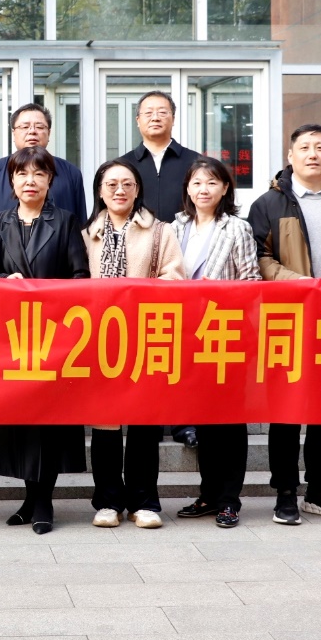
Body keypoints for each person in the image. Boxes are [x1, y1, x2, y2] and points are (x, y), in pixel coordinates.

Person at [247, 124, 321, 526]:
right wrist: (299, 283)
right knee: (286, 409)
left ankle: (319, 490)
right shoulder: (269, 203)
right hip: (290, 318)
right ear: (290, 155)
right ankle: (285, 492)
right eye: (304, 147)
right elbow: (259, 258)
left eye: (320, 147)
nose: (312, 154)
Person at [0, 145, 90, 534]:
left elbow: (80, 276)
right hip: (12, 337)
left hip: (53, 337)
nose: (30, 181)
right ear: (12, 181)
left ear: (50, 180)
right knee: (20, 421)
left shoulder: (66, 221)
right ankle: (30, 499)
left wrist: (50, 295)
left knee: (48, 421)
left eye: (39, 174)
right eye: (22, 174)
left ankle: (44, 501)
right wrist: (2, 280)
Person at [81, 158, 185, 529]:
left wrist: (137, 297)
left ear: (138, 189)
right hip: (101, 340)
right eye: (111, 184)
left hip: (146, 336)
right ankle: (108, 501)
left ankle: (144, 502)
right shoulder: (87, 234)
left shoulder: (160, 231)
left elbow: (175, 278)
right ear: (100, 191)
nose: (119, 190)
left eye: (127, 183)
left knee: (144, 424)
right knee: (105, 426)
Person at [170, 158, 261, 527]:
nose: (203, 189)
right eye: (196, 183)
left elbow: (251, 281)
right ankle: (208, 494)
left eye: (211, 182)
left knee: (230, 421)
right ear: (188, 189)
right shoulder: (176, 227)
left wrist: (220, 294)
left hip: (226, 333)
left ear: (225, 188)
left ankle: (229, 499)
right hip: (187, 336)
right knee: (204, 418)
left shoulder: (237, 228)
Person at [125, 89, 203, 448]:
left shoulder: (195, 164)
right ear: (138, 120)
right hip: (137, 270)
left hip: (184, 268)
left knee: (184, 346)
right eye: (148, 112)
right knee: (146, 345)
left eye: (162, 111)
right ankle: (147, 417)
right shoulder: (124, 166)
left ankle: (184, 421)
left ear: (173, 117)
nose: (155, 117)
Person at [0, 102, 87, 259]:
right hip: (4, 264)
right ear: (13, 133)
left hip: (58, 264)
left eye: (39, 127)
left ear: (49, 133)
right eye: (25, 126)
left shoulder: (71, 172)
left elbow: (81, 223)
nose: (32, 131)